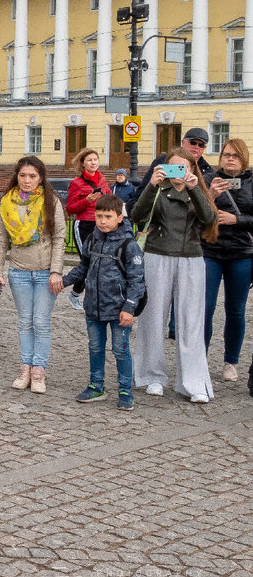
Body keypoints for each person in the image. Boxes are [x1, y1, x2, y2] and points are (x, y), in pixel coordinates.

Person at [131, 151, 218, 403]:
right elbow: (137, 216)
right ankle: (152, 376)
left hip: (191, 257)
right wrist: (151, 186)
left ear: (191, 169)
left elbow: (209, 218)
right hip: (157, 255)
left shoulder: (196, 189)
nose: (177, 173)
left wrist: (194, 189)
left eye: (183, 168)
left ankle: (192, 382)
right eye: (173, 167)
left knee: (191, 321)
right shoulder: (158, 190)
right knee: (153, 317)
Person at [0, 156, 66, 394]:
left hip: (45, 272)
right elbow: (1, 241)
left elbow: (59, 239)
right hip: (19, 271)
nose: (27, 180)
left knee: (41, 323)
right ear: (17, 176)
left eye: (32, 176)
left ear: (41, 177)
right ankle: (25, 368)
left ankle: (39, 371)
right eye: (23, 175)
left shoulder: (50, 201)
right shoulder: (7, 202)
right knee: (25, 322)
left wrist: (56, 271)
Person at [63, 194, 145, 411]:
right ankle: (96, 385)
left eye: (108, 216)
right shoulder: (92, 239)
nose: (102, 221)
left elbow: (137, 282)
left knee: (120, 350)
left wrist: (129, 308)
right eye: (99, 216)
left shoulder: (129, 245)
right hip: (93, 307)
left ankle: (125, 390)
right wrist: (63, 281)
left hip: (119, 310)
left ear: (119, 217)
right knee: (95, 347)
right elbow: (83, 268)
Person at [202, 138, 253, 384]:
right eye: (226, 154)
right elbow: (197, 213)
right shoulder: (209, 179)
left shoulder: (252, 182)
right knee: (206, 307)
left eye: (235, 155)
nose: (229, 158)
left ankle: (230, 362)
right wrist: (210, 195)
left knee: (236, 309)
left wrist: (237, 220)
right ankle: (199, 359)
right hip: (211, 250)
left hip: (242, 253)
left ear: (244, 158)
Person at [135, 127, 213, 196]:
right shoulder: (162, 162)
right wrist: (152, 185)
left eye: (201, 145)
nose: (196, 147)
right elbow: (140, 194)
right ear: (183, 142)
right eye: (193, 142)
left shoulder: (207, 170)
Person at [66, 147, 112, 252]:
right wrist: (87, 201)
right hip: (84, 224)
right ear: (83, 164)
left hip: (102, 223)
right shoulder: (76, 183)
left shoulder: (102, 179)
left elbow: (110, 197)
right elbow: (70, 209)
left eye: (95, 159)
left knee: (101, 259)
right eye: (89, 160)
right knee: (86, 260)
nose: (93, 162)